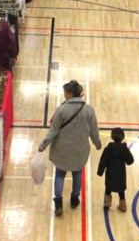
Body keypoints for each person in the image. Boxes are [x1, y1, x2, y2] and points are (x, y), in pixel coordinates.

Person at [38, 80, 103, 217]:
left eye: (65, 92)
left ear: (70, 93)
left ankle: (58, 204)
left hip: (62, 150)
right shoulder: (88, 110)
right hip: (80, 150)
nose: (64, 95)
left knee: (60, 175)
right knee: (77, 173)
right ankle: (74, 199)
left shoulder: (61, 110)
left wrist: (43, 144)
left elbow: (53, 131)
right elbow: (94, 131)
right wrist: (97, 144)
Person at [97, 127, 134, 212]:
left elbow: (103, 161)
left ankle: (107, 204)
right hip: (121, 174)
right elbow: (130, 161)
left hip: (110, 173)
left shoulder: (108, 149)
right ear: (122, 137)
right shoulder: (124, 149)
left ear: (112, 137)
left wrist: (100, 172)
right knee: (121, 190)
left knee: (108, 188)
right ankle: (122, 205)